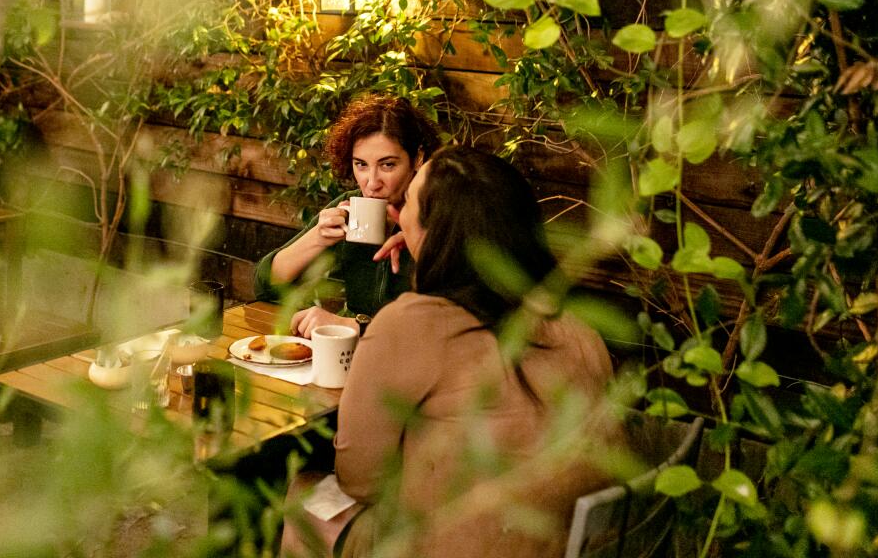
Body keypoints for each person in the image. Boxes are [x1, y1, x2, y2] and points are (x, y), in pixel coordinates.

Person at [286, 146, 619, 558]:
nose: (396, 212)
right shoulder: (580, 328)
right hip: (563, 543)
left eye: (407, 201)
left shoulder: (412, 323)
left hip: (454, 546)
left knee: (305, 494)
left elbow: (359, 481)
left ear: (433, 230)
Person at [253, 94, 440, 337]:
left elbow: (449, 325)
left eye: (387, 165)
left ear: (417, 158)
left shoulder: (443, 214)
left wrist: (354, 326)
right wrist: (318, 238)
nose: (371, 183)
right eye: (361, 164)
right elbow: (265, 285)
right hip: (351, 355)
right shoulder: (350, 208)